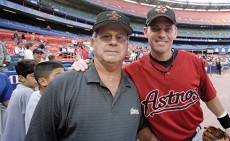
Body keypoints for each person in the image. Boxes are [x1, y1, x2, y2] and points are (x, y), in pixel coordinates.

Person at [71, 5, 230, 141]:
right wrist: (84, 65)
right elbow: (105, 75)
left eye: (167, 29)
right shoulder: (130, 72)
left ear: (175, 32)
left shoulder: (193, 61)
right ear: (145, 32)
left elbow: (209, 95)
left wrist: (228, 124)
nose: (162, 34)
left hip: (195, 136)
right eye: (155, 28)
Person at [25, 11, 144, 141]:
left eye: (120, 37)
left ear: (127, 45)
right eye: (106, 36)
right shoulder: (62, 85)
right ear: (93, 43)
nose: (113, 42)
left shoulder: (135, 87)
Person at [1, 59, 38, 141]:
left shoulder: (20, 89)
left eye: (38, 74)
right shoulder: (27, 93)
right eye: (33, 76)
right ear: (21, 78)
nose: (37, 78)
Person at [25, 61, 64, 133]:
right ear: (43, 81)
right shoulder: (37, 102)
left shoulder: (55, 97)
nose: (64, 79)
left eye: (64, 75)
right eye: (58, 76)